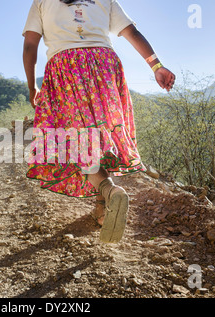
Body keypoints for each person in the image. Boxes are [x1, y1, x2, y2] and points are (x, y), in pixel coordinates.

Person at [23, 0, 175, 244]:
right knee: (100, 136)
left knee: (76, 142)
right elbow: (131, 33)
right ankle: (102, 210)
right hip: (105, 65)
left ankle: (108, 189)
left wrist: (32, 87)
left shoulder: (42, 2)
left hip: (65, 67)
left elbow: (31, 44)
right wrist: (156, 66)